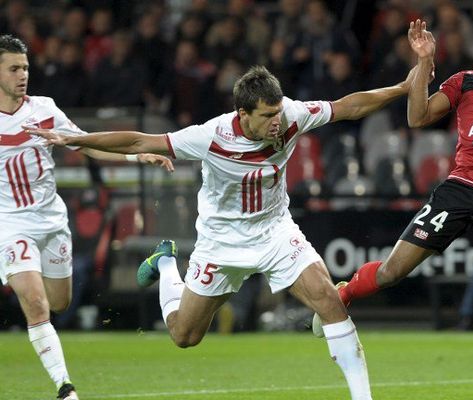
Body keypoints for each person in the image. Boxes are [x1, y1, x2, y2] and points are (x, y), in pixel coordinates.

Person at [27, 64, 430, 400]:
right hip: (222, 244)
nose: (277, 122)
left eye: (278, 112)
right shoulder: (211, 136)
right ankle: (168, 264)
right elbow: (137, 139)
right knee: (184, 336)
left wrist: (400, 87)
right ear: (242, 114)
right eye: (267, 116)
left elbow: (349, 106)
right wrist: (76, 140)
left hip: (275, 231)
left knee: (328, 299)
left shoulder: (292, 115)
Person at [313, 20, 473, 356]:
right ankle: (345, 294)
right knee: (391, 272)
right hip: (458, 190)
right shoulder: (467, 82)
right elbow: (417, 117)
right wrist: (424, 61)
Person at [0, 35, 173, 400]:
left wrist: (135, 157)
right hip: (10, 224)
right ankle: (66, 388)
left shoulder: (44, 109)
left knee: (58, 303)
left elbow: (87, 143)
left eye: (26, 67)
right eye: (14, 68)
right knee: (35, 303)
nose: (23, 75)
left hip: (51, 221)